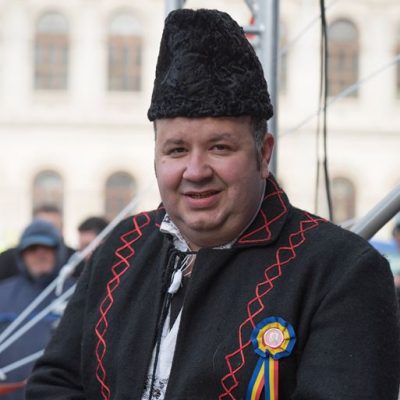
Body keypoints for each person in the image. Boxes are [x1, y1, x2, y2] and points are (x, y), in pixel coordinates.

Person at [26, 9, 400, 400]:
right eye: (176, 150)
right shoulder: (122, 246)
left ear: (263, 154)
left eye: (219, 147)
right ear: (156, 157)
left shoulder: (342, 270)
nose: (196, 171)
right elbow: (53, 384)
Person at [0, 219, 72, 400]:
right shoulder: (3, 294)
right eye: (32, 248)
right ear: (21, 254)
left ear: (58, 251)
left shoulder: (77, 293)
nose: (40, 254)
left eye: (47, 248)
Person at [0, 205, 75, 282]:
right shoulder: (6, 261)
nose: (40, 253)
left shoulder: (76, 261)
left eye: (53, 226)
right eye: (32, 249)